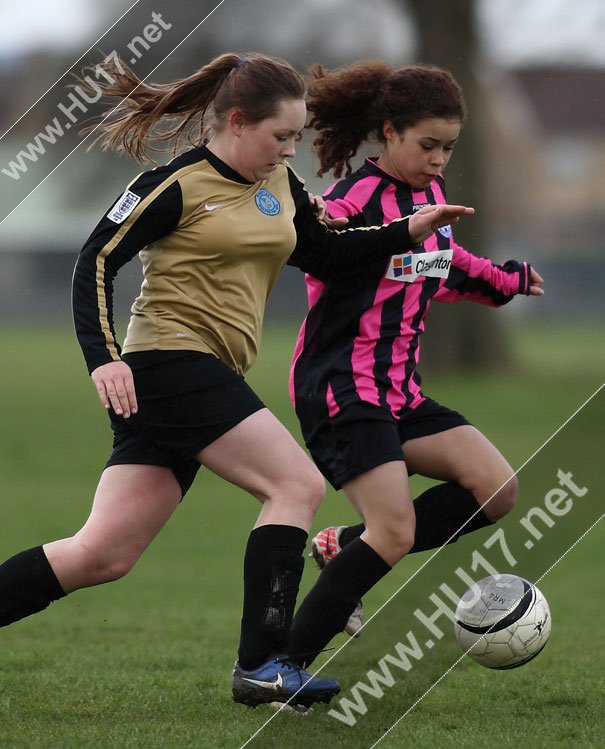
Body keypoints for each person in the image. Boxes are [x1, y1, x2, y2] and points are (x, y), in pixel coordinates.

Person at [0, 53, 474, 710]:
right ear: (235, 120)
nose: (289, 149)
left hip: (201, 375)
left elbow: (325, 255)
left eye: (295, 137)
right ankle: (262, 664)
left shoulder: (278, 182)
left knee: (101, 553)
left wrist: (403, 232)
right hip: (167, 364)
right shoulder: (175, 182)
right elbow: (95, 261)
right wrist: (103, 357)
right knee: (296, 484)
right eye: (279, 136)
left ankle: (265, 662)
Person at [287, 61, 544, 664]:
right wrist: (317, 217)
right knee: (396, 532)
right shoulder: (354, 197)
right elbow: (317, 249)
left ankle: (343, 545)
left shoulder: (432, 194)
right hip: (343, 390)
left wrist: (506, 280)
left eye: (449, 148)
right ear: (391, 131)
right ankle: (283, 669)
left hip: (399, 390)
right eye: (427, 145)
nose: (438, 160)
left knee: (496, 490)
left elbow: (442, 264)